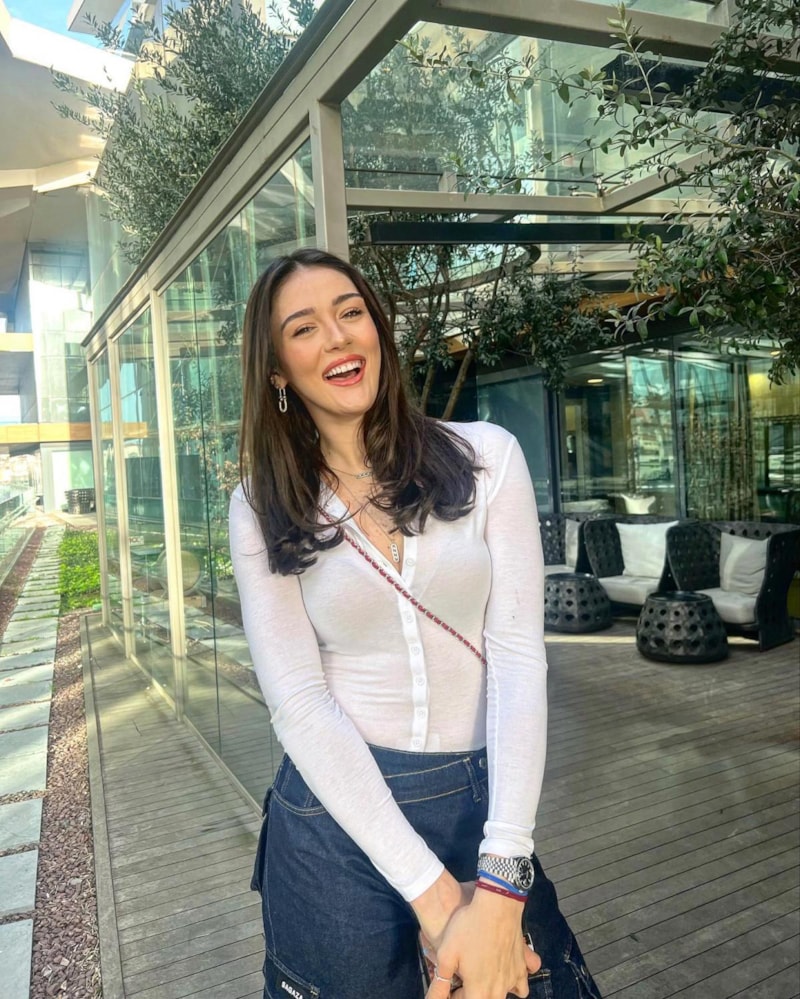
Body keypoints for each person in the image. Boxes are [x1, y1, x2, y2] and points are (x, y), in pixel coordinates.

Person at [230, 248, 601, 999]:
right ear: (277, 370)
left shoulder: (486, 458)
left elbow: (518, 659)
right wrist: (437, 903)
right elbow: (299, 703)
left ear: (377, 330)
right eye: (304, 328)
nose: (337, 337)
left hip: (476, 807)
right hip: (335, 820)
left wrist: (501, 883)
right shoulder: (261, 502)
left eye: (350, 313)